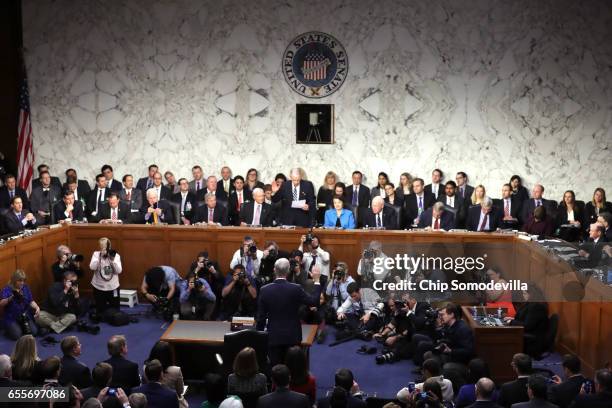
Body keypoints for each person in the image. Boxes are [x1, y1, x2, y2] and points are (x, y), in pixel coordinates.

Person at [256, 258, 322, 366]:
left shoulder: (264, 290)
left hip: (274, 336)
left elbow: (261, 318)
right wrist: (317, 280)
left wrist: (259, 336)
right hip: (293, 336)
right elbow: (313, 302)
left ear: (274, 270)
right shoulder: (296, 288)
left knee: (276, 369)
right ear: (288, 271)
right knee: (293, 367)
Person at [503, 285, 549, 358]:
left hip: (533, 341)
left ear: (531, 294)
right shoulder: (530, 304)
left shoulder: (537, 306)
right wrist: (512, 319)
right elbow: (525, 319)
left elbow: (527, 326)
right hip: (528, 334)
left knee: (504, 336)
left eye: (525, 293)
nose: (523, 296)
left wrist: (511, 322)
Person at [36, 270, 80, 334]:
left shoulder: (73, 290)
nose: (73, 283)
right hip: (50, 314)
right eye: (71, 281)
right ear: (64, 281)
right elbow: (55, 303)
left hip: (62, 315)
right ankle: (60, 327)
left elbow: (77, 312)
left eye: (75, 281)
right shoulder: (54, 287)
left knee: (73, 317)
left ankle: (51, 329)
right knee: (38, 316)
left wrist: (76, 296)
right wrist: (65, 290)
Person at [0, 270, 41, 340]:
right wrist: (10, 298)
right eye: (20, 281)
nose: (22, 283)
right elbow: (1, 303)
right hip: (11, 317)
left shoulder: (25, 288)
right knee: (17, 336)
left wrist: (37, 308)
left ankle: (20, 327)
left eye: (23, 281)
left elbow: (30, 301)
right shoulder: (7, 289)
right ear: (14, 280)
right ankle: (9, 328)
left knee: (34, 332)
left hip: (24, 316)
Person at [144, 341, 186, 408]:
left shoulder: (145, 367)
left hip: (149, 400)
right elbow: (180, 391)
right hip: (170, 400)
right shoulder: (176, 370)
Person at [89, 237, 122, 316]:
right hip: (99, 287)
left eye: (106, 247)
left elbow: (119, 271)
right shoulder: (96, 254)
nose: (105, 249)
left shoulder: (115, 255)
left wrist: (112, 260)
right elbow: (92, 267)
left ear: (109, 247)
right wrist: (100, 257)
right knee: (100, 311)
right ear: (99, 247)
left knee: (115, 310)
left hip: (112, 286)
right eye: (102, 247)